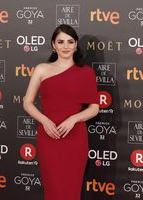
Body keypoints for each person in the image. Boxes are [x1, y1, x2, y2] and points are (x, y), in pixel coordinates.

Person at [23, 24, 99, 200]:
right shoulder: (42, 69)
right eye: (61, 41)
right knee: (53, 190)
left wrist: (74, 119)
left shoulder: (86, 73)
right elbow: (27, 102)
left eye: (70, 41)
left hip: (75, 138)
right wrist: (44, 121)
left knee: (72, 190)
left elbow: (94, 108)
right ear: (53, 45)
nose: (65, 46)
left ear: (76, 45)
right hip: (49, 137)